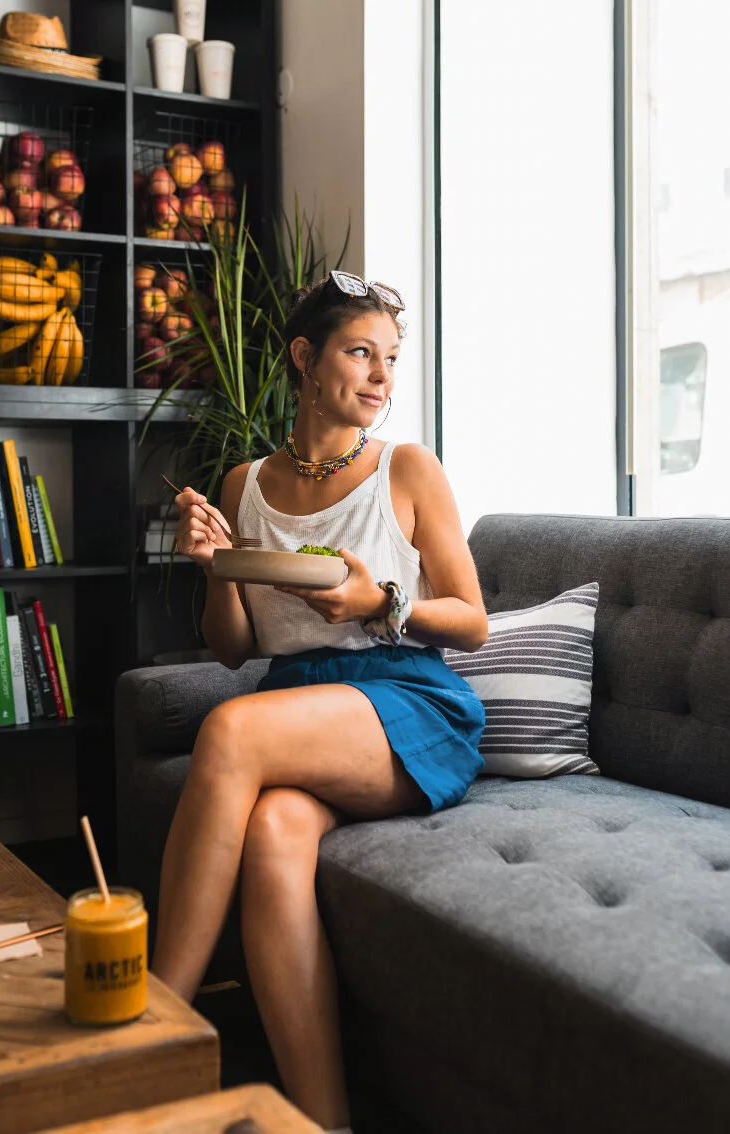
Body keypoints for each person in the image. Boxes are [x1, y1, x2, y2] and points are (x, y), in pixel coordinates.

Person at [152, 271, 488, 1133]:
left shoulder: (406, 469)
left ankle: (147, 1037)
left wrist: (380, 600)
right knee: (271, 837)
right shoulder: (243, 485)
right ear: (306, 357)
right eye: (359, 352)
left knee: (229, 733)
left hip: (402, 699)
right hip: (296, 704)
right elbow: (233, 648)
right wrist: (211, 565)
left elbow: (473, 620)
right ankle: (324, 1123)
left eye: (390, 358)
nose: (380, 375)